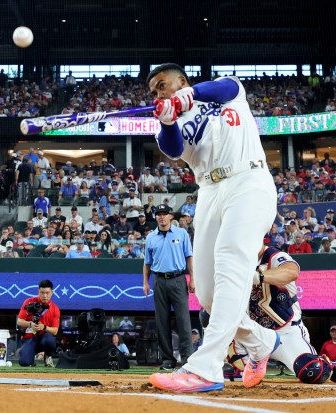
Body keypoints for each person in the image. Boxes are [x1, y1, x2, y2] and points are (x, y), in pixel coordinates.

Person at [146, 63, 279, 392]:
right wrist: (168, 120)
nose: (158, 93)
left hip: (248, 179)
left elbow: (228, 86)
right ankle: (261, 342)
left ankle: (206, 368)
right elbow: (174, 149)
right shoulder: (171, 121)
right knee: (206, 293)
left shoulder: (227, 94)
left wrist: (185, 98)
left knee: (231, 256)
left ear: (182, 81)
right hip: (209, 191)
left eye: (163, 85)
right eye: (153, 91)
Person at [228, 243, 336, 384]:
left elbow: (292, 271)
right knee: (213, 317)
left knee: (311, 371)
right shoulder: (234, 259)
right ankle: (242, 366)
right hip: (256, 334)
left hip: (286, 333)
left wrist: (258, 276)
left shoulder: (273, 256)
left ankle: (327, 365)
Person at [143, 204, 194, 371]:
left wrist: (192, 279)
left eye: (165, 214)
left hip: (178, 279)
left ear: (171, 216)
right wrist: (145, 282)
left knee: (183, 321)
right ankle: (167, 360)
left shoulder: (182, 233)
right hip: (159, 280)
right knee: (161, 322)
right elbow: (147, 263)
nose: (161, 217)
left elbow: (189, 257)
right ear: (156, 217)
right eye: (159, 214)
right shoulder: (151, 237)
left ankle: (187, 359)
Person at [16, 279, 60, 367]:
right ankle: (28, 355)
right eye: (42, 292)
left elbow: (55, 331)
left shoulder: (55, 308)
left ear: (52, 293)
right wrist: (30, 324)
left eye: (47, 293)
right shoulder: (29, 302)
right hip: (30, 337)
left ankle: (47, 355)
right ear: (38, 291)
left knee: (50, 340)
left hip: (44, 337)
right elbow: (19, 322)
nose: (44, 295)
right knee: (24, 362)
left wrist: (44, 327)